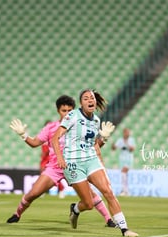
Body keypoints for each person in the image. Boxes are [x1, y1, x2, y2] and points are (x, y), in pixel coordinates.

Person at [7, 95, 116, 227]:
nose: (67, 113)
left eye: (69, 110)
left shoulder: (80, 124)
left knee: (90, 196)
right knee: (33, 193)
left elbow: (91, 147)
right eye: (63, 110)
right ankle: (17, 214)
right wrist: (23, 135)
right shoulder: (51, 127)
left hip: (74, 165)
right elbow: (35, 143)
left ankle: (108, 219)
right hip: (55, 167)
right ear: (58, 111)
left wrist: (102, 139)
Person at [52, 89, 138, 237]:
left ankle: (124, 229)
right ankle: (76, 209)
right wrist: (60, 157)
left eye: (91, 98)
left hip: (91, 160)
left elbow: (93, 145)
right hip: (73, 163)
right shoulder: (72, 115)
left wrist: (103, 138)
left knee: (108, 192)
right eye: (86, 98)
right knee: (88, 204)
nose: (90, 100)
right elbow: (55, 138)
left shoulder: (96, 121)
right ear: (81, 103)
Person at [112, 128, 135, 196]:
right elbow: (114, 148)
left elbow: (132, 149)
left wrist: (127, 144)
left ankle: (124, 190)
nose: (128, 134)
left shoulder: (131, 140)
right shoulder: (120, 140)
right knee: (124, 174)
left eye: (128, 132)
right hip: (122, 159)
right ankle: (125, 191)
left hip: (129, 159)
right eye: (126, 132)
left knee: (124, 172)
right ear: (124, 133)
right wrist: (113, 144)